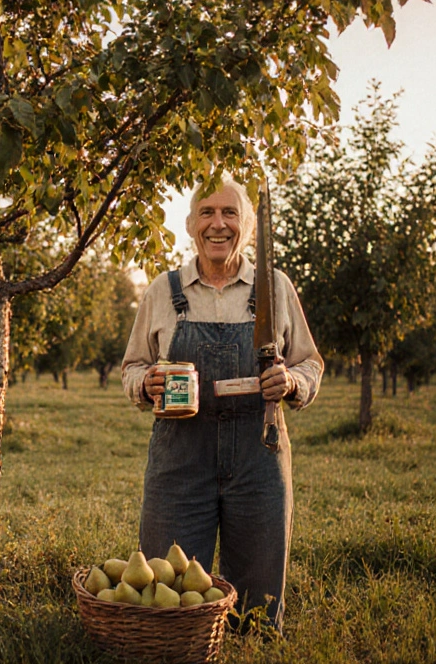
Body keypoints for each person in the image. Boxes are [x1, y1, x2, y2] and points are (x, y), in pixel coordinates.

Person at [121, 175, 323, 632]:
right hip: (180, 461)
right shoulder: (162, 291)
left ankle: (249, 649)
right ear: (191, 224)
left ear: (248, 226)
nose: (219, 224)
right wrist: (147, 382)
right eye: (207, 213)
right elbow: (132, 367)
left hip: (258, 456)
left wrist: (290, 382)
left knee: (256, 602)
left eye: (230, 213)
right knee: (167, 590)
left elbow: (310, 363)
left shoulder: (274, 288)